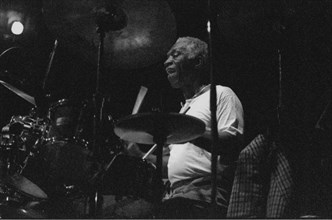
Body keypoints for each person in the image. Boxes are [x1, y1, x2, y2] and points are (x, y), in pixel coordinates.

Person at [124, 36, 244, 218]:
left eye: (176, 55)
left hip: (204, 195)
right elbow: (175, 165)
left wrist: (188, 130)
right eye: (167, 57)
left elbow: (232, 144)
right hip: (176, 194)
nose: (166, 62)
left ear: (198, 62)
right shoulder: (186, 109)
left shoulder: (221, 94)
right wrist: (140, 156)